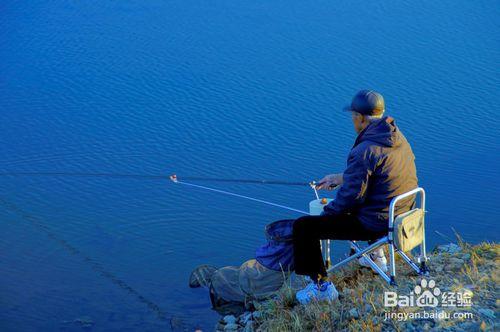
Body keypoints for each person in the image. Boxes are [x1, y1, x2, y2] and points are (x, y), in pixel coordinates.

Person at [293, 90, 418, 304]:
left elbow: (351, 197)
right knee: (368, 200)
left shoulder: (364, 150)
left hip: (377, 223)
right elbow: (377, 175)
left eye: (353, 116)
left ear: (360, 117)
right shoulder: (397, 138)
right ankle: (375, 255)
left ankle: (322, 287)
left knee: (304, 227)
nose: (352, 119)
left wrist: (327, 213)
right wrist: (339, 177)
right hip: (402, 214)